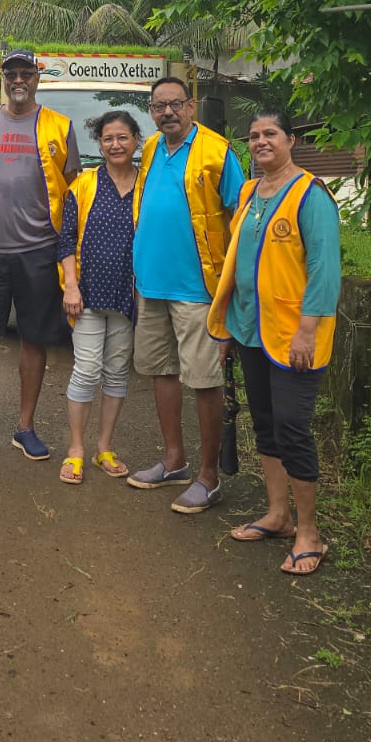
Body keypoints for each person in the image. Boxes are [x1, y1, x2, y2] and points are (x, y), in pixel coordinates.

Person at [208, 108, 341, 576]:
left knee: (291, 427)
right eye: (254, 136)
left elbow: (325, 270)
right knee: (265, 423)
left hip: (294, 336)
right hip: (250, 329)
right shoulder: (249, 192)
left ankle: (310, 534)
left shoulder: (310, 195)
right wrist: (228, 328)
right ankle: (278, 515)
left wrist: (307, 330)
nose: (260, 141)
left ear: (290, 141)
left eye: (270, 134)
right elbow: (238, 264)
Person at [0, 49, 80, 461]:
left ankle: (25, 427)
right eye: (12, 74)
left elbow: (73, 188)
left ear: (37, 78)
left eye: (26, 73)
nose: (19, 80)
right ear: (3, 79)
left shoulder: (59, 126)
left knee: (34, 338)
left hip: (39, 250)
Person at [127, 76, 244, 513]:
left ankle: (208, 477)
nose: (168, 113)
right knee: (161, 371)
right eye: (159, 106)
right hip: (151, 284)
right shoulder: (152, 148)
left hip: (198, 289)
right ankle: (174, 461)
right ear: (151, 111)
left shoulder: (217, 152)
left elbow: (241, 217)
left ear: (191, 106)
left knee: (204, 380)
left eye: (175, 104)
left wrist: (233, 291)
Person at [58, 111, 141, 485]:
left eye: (122, 137)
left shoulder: (147, 185)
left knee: (117, 371)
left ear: (136, 140)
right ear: (100, 143)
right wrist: (70, 285)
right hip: (87, 293)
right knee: (87, 368)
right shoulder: (84, 184)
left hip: (128, 294)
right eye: (108, 138)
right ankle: (76, 449)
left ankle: (104, 447)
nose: (115, 145)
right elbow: (65, 239)